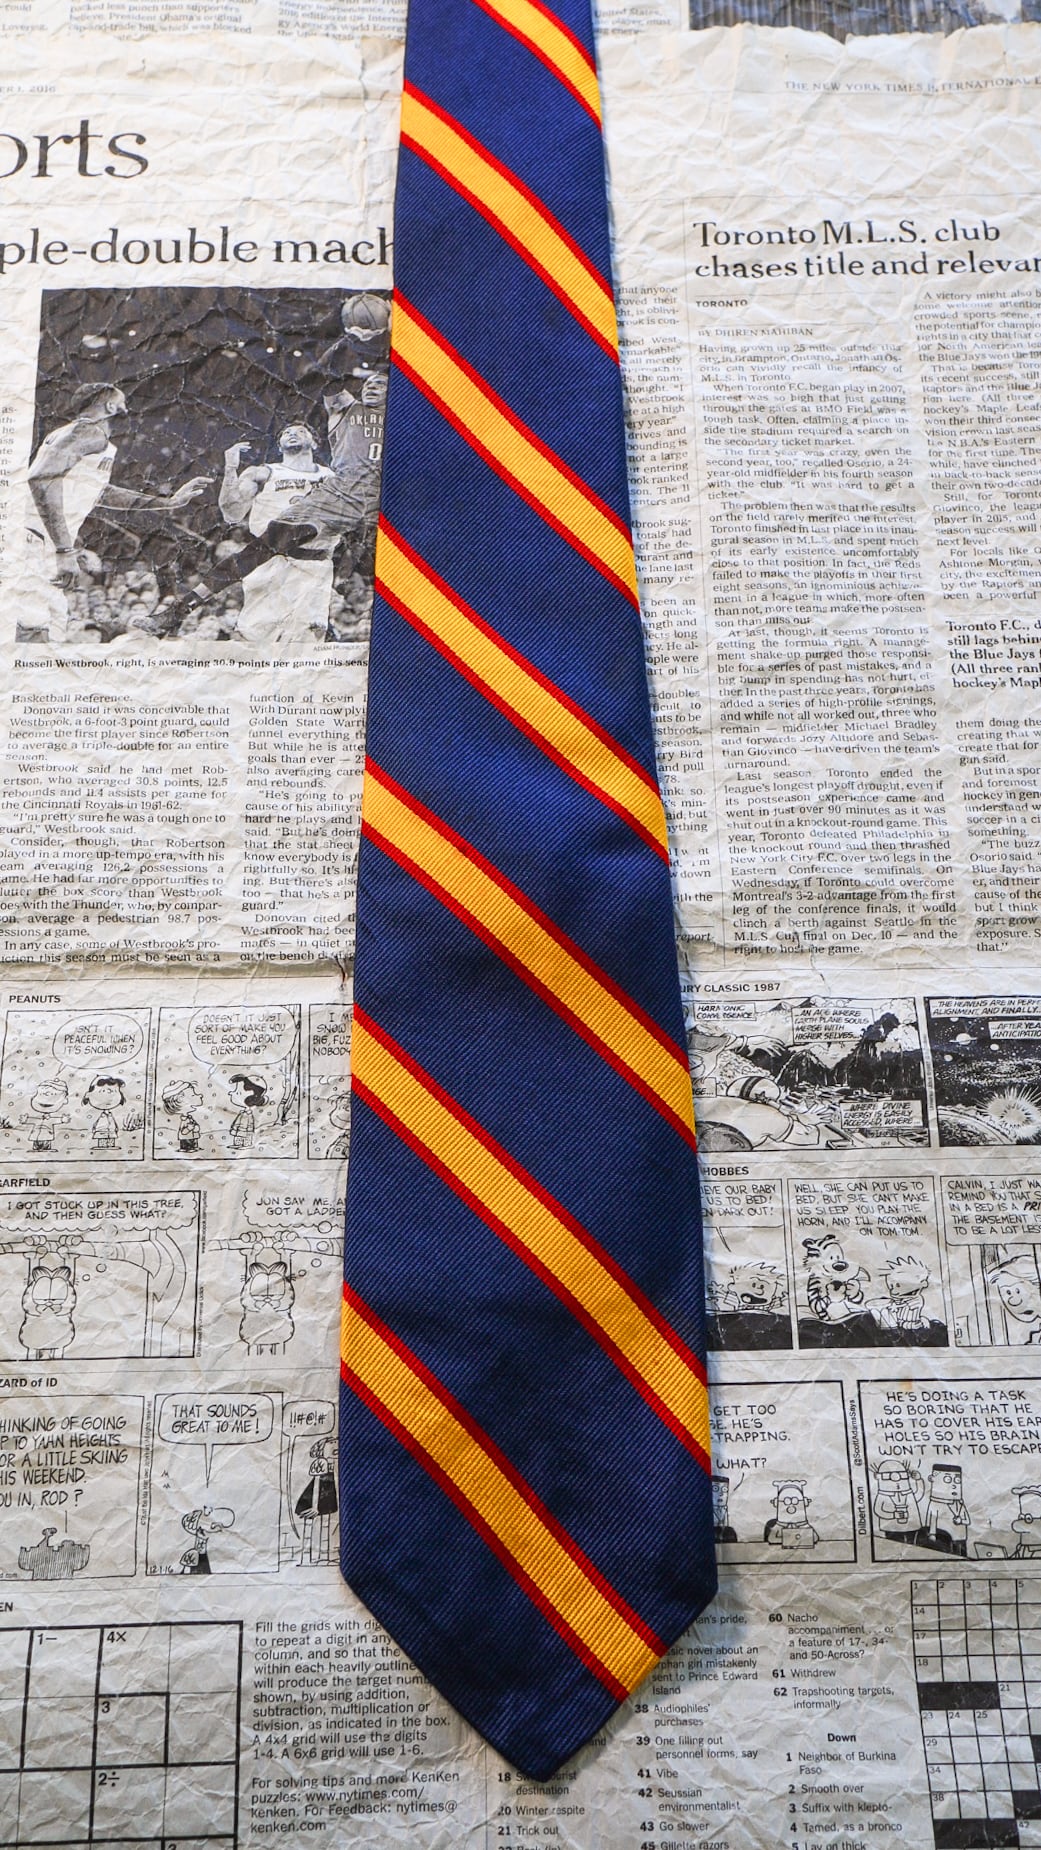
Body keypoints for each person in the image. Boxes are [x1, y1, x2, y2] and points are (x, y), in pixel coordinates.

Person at [25, 382, 210, 641]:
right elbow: (40, 478)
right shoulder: (88, 431)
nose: (128, 410)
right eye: (124, 403)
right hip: (36, 540)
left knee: (48, 631)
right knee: (34, 631)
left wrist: (169, 502)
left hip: (41, 540)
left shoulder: (85, 438)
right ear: (111, 407)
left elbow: (101, 493)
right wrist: (64, 549)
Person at [219, 424, 338, 650]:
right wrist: (230, 469)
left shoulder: (331, 477)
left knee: (307, 644)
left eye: (301, 431)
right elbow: (231, 513)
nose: (292, 433)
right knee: (252, 640)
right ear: (280, 446)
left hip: (315, 564)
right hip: (272, 560)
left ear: (314, 443)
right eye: (286, 433)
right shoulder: (263, 473)